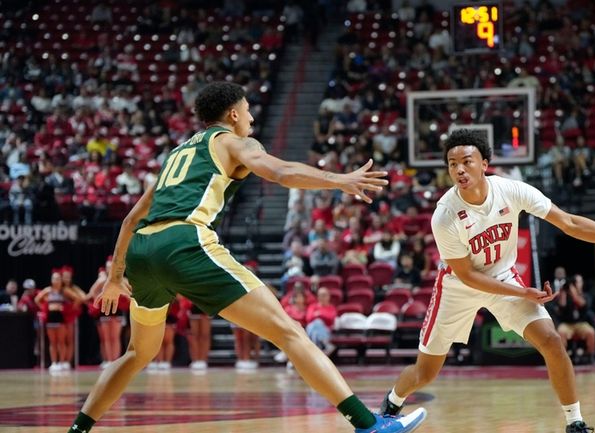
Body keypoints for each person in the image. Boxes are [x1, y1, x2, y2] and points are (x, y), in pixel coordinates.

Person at [66, 82, 425, 433]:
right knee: (289, 332)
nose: (252, 118)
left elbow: (131, 219)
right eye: (249, 110)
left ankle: (79, 429)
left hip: (142, 251)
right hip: (184, 240)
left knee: (137, 353)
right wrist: (337, 179)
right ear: (234, 113)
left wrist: (115, 277)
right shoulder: (234, 141)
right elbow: (281, 172)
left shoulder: (177, 154)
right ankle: (368, 425)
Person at [378, 129, 595, 433]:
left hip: (502, 276)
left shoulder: (512, 190)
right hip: (458, 287)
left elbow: (566, 221)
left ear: (485, 163)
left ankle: (575, 422)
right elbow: (468, 275)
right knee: (425, 372)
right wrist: (521, 290)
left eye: (466, 161)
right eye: (452, 164)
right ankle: (393, 400)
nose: (459, 169)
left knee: (552, 341)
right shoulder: (445, 216)